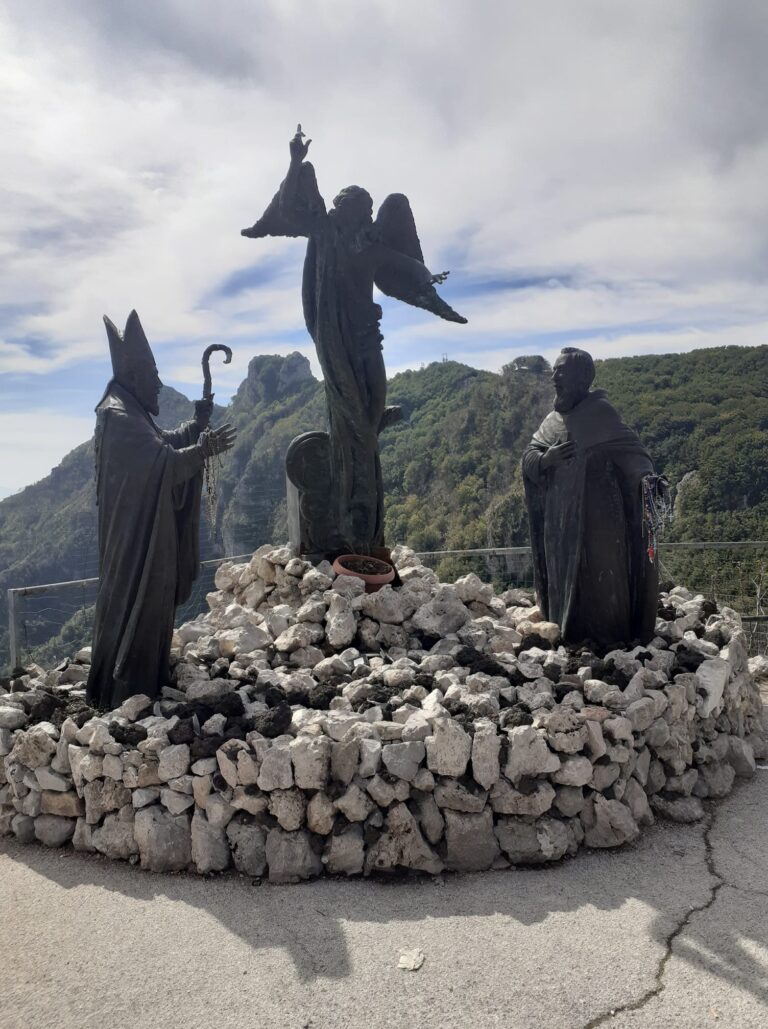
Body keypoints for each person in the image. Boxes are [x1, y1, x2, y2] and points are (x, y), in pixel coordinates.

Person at [241, 126, 466, 555]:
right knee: (354, 419)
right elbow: (290, 205)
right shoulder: (324, 233)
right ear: (342, 211)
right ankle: (353, 517)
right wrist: (293, 162)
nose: (363, 216)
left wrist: (429, 283)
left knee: (372, 407)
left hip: (368, 341)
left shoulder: (372, 246)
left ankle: (366, 507)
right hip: (338, 342)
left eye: (366, 210)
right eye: (357, 209)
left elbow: (405, 266)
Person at [86, 310, 235, 709]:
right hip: (137, 546)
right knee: (139, 603)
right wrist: (203, 449)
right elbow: (162, 464)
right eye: (153, 374)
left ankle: (147, 679)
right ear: (135, 375)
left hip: (146, 536)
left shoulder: (129, 410)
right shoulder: (117, 416)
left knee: (152, 604)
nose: (159, 383)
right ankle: (127, 692)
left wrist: (194, 424)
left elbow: (161, 445)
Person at [522, 347, 663, 648]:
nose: (554, 377)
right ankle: (568, 635)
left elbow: (636, 457)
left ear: (580, 377)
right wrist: (547, 459)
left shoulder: (602, 414)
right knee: (564, 584)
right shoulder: (552, 420)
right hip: (559, 526)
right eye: (555, 370)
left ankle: (610, 641)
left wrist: (647, 482)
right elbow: (529, 459)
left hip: (599, 523)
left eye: (561, 371)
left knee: (603, 579)